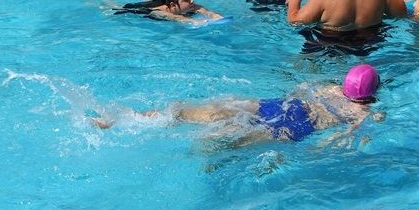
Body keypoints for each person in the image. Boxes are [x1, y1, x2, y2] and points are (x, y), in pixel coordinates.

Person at [93, 64, 383, 149]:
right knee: (231, 141)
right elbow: (338, 141)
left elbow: (298, 90)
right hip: (296, 128)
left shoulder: (329, 88)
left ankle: (121, 119)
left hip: (276, 106)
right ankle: (200, 151)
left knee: (188, 111)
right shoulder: (365, 112)